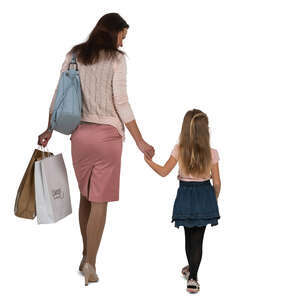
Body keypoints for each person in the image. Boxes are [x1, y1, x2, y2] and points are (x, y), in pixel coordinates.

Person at [37, 13, 155, 286]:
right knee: (100, 201)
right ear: (113, 32)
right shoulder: (116, 60)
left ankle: (84, 254)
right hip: (108, 138)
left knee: (86, 197)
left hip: (79, 136)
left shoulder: (75, 54)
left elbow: (59, 95)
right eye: (123, 35)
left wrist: (49, 129)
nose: (123, 41)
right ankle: (90, 262)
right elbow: (121, 103)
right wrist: (140, 141)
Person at [144, 109, 221, 293]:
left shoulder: (179, 150)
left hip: (185, 195)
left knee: (188, 236)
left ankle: (192, 274)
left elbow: (163, 172)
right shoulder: (212, 153)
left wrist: (149, 161)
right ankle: (193, 275)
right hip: (204, 195)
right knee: (199, 239)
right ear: (205, 131)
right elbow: (217, 183)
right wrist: (212, 200)